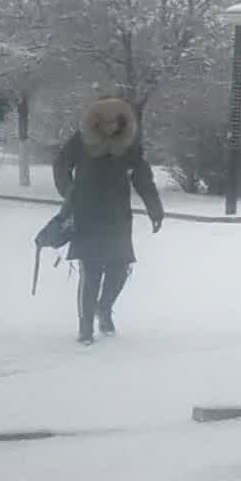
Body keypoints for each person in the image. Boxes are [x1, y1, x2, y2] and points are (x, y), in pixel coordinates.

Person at [52, 96, 164, 345]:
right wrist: (70, 193)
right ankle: (85, 327)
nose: (109, 125)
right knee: (91, 272)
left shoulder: (129, 145)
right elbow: (60, 166)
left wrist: (155, 209)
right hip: (87, 215)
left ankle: (104, 308)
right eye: (105, 121)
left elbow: (143, 178)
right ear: (96, 121)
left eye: (115, 121)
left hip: (118, 218)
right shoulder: (81, 140)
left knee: (119, 270)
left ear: (122, 122)